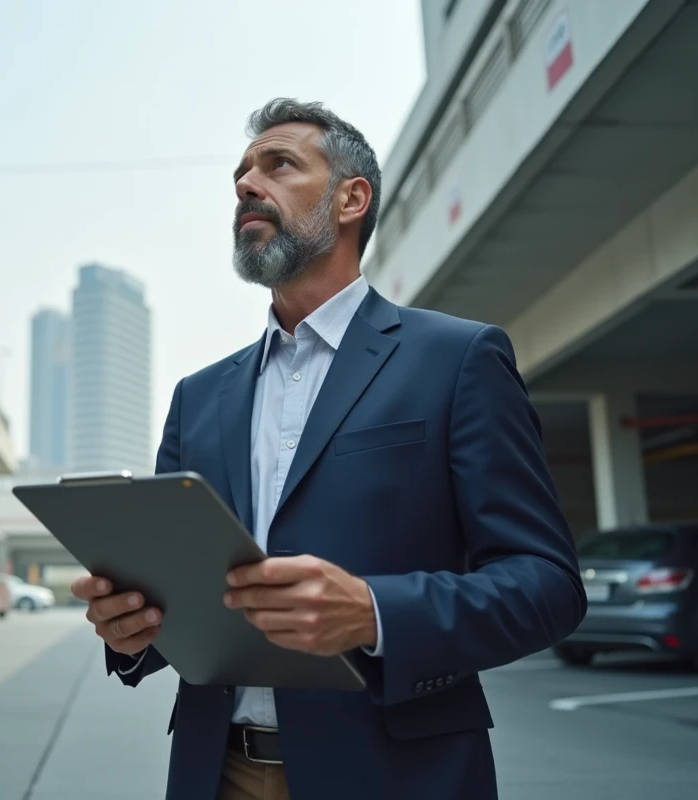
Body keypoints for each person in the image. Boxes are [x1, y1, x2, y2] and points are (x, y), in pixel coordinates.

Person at [70, 98, 586, 800]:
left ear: (352, 199)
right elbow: (183, 602)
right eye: (242, 173)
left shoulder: (457, 360)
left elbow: (548, 585)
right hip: (214, 772)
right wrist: (131, 631)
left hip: (397, 775)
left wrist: (375, 612)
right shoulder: (199, 395)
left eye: (278, 164)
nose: (248, 184)